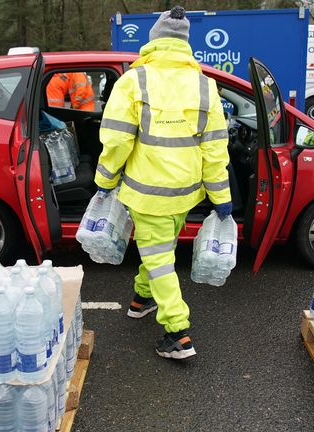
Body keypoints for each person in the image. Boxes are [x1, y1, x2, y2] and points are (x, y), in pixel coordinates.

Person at [93, 6, 231, 359]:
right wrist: (220, 194)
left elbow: (117, 141)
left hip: (146, 194)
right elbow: (215, 147)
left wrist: (105, 180)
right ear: (185, 44)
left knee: (158, 259)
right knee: (159, 252)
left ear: (153, 41)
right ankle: (141, 299)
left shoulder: (133, 82)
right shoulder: (205, 85)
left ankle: (178, 332)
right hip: (186, 195)